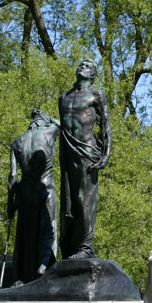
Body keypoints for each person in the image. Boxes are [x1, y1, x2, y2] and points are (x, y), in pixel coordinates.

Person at [58, 60, 111, 259]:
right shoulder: (63, 97)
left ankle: (86, 247)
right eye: (81, 64)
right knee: (69, 202)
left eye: (88, 66)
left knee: (84, 198)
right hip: (68, 153)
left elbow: (105, 126)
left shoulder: (96, 95)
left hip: (88, 151)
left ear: (93, 75)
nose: (83, 66)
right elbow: (63, 126)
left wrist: (105, 155)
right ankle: (71, 246)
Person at [8, 109, 60, 284]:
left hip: (24, 192)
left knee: (25, 235)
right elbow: (65, 125)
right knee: (49, 229)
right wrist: (49, 117)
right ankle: (45, 264)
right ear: (43, 122)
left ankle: (21, 276)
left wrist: (10, 203)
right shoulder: (48, 131)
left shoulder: (17, 142)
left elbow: (12, 177)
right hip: (45, 187)